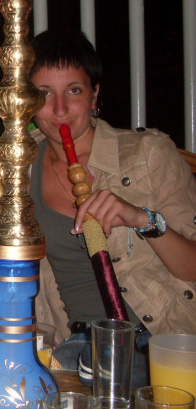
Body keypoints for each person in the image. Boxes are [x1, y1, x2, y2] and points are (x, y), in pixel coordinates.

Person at [27, 29, 196, 382]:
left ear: (94, 94)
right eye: (44, 93)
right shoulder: (17, 165)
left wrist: (142, 218)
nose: (59, 109)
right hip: (74, 344)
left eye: (74, 90)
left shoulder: (148, 153)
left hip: (156, 339)